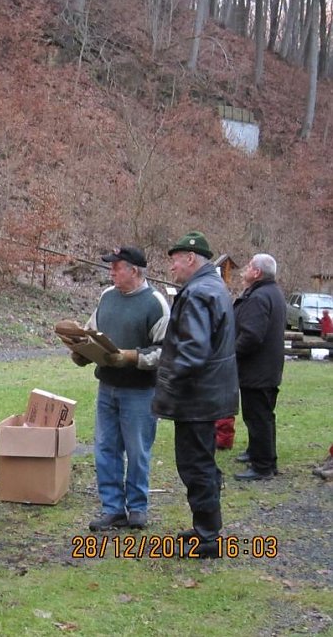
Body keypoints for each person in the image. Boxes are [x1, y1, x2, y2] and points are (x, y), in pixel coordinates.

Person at [60, 246, 169, 531]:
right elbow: (91, 331)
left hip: (140, 391)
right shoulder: (106, 297)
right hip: (107, 387)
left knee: (137, 451)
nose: (111, 272)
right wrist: (81, 350)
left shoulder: (156, 303)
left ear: (134, 271)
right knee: (105, 449)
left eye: (116, 267)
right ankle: (112, 508)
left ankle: (137, 508)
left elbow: (165, 352)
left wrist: (131, 357)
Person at [152, 231, 238, 558]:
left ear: (190, 258)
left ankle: (208, 537)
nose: (171, 267)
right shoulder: (212, 288)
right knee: (201, 462)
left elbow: (193, 350)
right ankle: (204, 527)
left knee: (195, 464)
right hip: (208, 395)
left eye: (174, 260)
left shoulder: (199, 293)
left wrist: (168, 383)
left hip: (196, 397)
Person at [232, 254, 286, 481]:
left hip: (257, 370)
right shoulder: (272, 292)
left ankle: (263, 466)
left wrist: (230, 354)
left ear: (257, 273)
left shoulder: (259, 297)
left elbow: (252, 336)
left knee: (258, 417)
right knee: (262, 415)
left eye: (249, 266)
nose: (245, 269)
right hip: (267, 368)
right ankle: (260, 454)